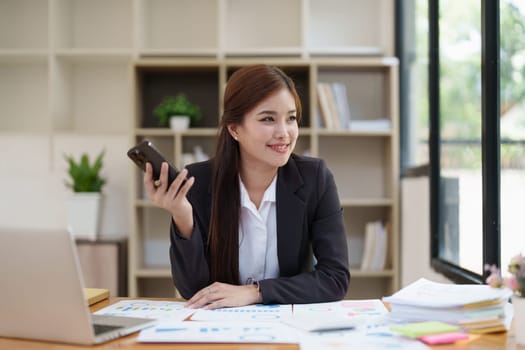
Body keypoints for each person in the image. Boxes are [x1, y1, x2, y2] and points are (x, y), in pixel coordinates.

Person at [144, 64, 350, 309]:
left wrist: (256, 292)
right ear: (234, 129)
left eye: (291, 118)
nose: (284, 133)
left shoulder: (315, 178)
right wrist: (182, 216)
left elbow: (335, 278)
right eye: (268, 119)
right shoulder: (199, 182)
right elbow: (193, 291)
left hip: (288, 327)